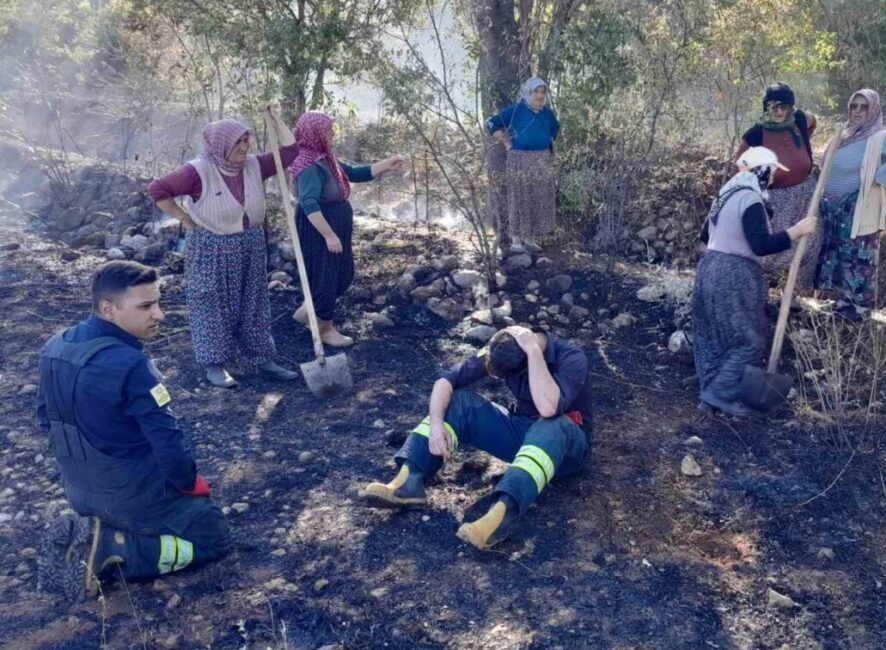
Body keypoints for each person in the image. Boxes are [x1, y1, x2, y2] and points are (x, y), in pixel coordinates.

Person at [35, 262, 230, 602]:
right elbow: (168, 443)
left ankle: (99, 531)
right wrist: (188, 483)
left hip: (78, 490)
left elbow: (43, 419)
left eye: (158, 302)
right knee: (214, 535)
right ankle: (118, 551)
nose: (160, 315)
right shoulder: (132, 365)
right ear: (108, 308)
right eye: (145, 306)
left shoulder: (55, 345)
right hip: (128, 494)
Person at [361, 326, 592, 550]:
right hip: (523, 434)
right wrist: (436, 425)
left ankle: (501, 515)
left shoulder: (571, 357)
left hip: (566, 447)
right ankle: (408, 481)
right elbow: (446, 380)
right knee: (460, 400)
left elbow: (549, 408)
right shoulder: (505, 343)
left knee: (550, 424)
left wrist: (533, 352)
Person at [149, 106, 299, 388]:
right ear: (220, 145)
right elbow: (158, 190)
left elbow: (291, 152)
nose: (244, 147)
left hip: (250, 243)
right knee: (211, 303)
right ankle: (215, 365)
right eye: (237, 142)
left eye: (246, 140)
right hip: (211, 244)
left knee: (254, 301)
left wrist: (276, 118)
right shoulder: (197, 171)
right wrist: (185, 219)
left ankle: (262, 357)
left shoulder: (255, 164)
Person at [693, 147, 817, 416]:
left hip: (708, 268)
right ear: (762, 170)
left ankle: (710, 397)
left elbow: (705, 235)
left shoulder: (725, 195)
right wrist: (797, 231)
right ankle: (719, 393)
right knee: (748, 339)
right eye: (771, 172)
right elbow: (760, 245)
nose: (773, 178)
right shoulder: (750, 198)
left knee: (712, 336)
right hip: (734, 273)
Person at [286, 111, 404, 347]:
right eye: (328, 130)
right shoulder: (309, 165)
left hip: (335, 222)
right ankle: (324, 328)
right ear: (315, 133)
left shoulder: (325, 158)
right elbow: (308, 203)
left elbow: (354, 173)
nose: (333, 134)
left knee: (343, 275)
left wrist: (386, 165)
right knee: (327, 277)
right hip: (319, 226)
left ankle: (308, 311)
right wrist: (328, 235)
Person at [815, 88, 886, 321]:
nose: (858, 111)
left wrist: (878, 179)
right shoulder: (845, 133)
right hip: (833, 207)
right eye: (854, 106)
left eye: (864, 107)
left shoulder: (879, 137)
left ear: (874, 109)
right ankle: (842, 302)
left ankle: (860, 308)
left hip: (857, 206)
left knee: (858, 255)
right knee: (839, 254)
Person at [733, 82, 820, 289]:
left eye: (785, 106)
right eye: (775, 106)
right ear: (766, 107)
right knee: (773, 248)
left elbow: (812, 120)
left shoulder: (799, 120)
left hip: (806, 194)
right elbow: (740, 170)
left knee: (810, 243)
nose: (780, 111)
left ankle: (798, 294)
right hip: (776, 199)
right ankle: (758, 290)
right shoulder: (755, 135)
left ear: (791, 107)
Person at [485, 78, 560, 252]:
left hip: (542, 162)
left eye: (543, 92)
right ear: (528, 92)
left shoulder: (547, 113)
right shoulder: (516, 110)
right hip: (519, 160)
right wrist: (505, 142)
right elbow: (491, 123)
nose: (540, 96)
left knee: (537, 199)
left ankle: (530, 239)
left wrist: (547, 140)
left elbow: (555, 129)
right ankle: (516, 241)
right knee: (519, 198)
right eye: (536, 92)